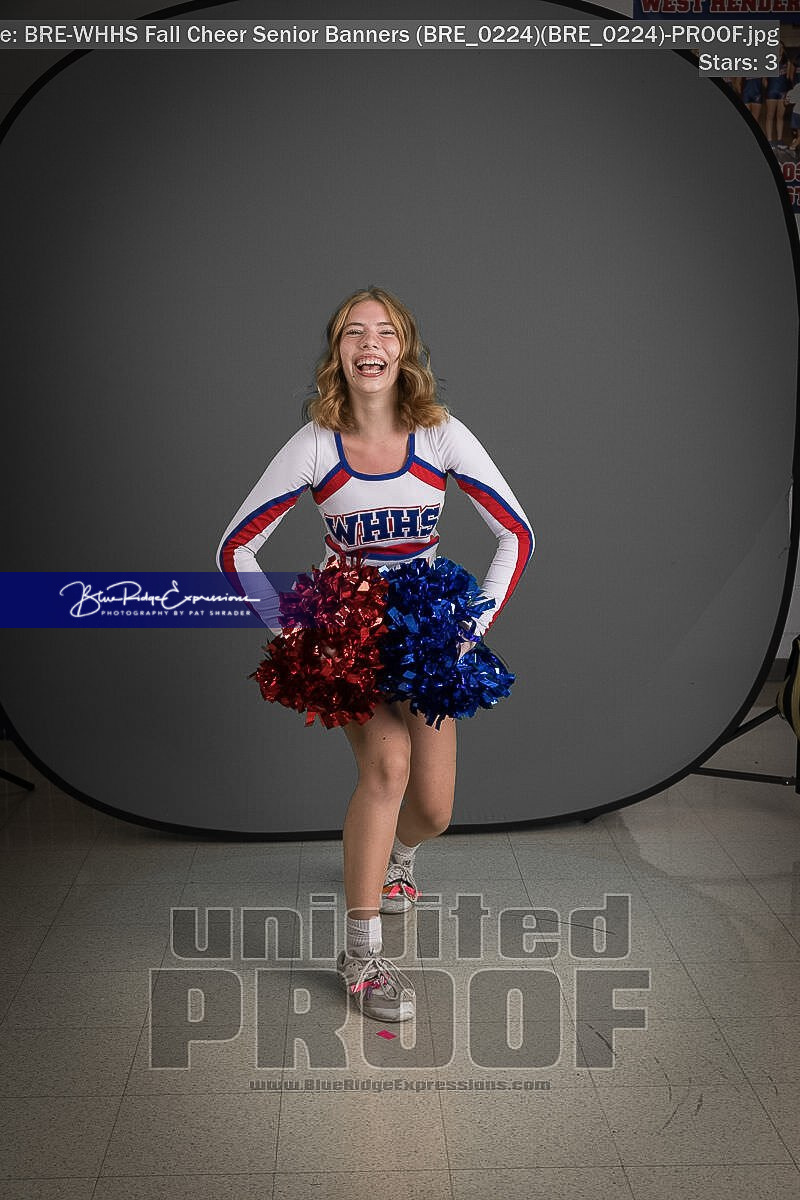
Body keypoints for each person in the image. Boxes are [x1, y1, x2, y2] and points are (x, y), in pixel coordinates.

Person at [216, 287, 534, 1022]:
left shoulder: (439, 434)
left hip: (425, 635)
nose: (370, 343)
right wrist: (296, 631)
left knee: (434, 810)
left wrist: (470, 628)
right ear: (337, 353)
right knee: (387, 767)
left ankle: (397, 857)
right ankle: (361, 955)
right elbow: (236, 547)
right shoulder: (315, 444)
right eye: (353, 332)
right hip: (350, 635)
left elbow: (516, 533)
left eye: (385, 332)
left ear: (404, 349)